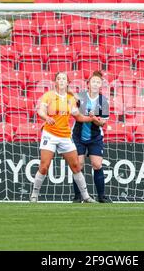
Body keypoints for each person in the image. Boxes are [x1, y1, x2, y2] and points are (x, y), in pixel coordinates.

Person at [30, 72, 104, 203]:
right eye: (59, 78)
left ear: (68, 82)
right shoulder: (48, 96)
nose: (61, 80)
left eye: (64, 78)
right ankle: (34, 195)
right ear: (55, 82)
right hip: (50, 134)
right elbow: (40, 110)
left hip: (65, 136)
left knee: (76, 166)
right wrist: (46, 117)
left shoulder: (71, 99)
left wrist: (91, 118)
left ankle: (86, 196)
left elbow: (78, 116)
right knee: (44, 166)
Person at [71, 71, 111, 203]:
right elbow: (73, 111)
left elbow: (102, 123)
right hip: (78, 136)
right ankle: (78, 197)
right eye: (93, 81)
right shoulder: (80, 97)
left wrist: (93, 118)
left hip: (95, 137)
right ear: (88, 84)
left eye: (98, 82)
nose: (95, 84)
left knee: (97, 164)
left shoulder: (103, 101)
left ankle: (101, 196)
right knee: (78, 165)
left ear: (101, 86)